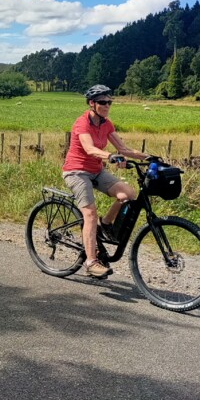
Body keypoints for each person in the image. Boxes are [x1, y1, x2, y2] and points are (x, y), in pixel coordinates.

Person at [62, 84, 148, 278]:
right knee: (90, 214)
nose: (107, 105)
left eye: (109, 102)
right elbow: (89, 149)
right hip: (76, 172)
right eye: (102, 102)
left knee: (128, 194)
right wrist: (110, 156)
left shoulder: (106, 124)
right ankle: (91, 262)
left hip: (96, 171)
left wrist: (149, 157)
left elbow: (123, 149)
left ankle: (106, 224)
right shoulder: (82, 123)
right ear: (91, 103)